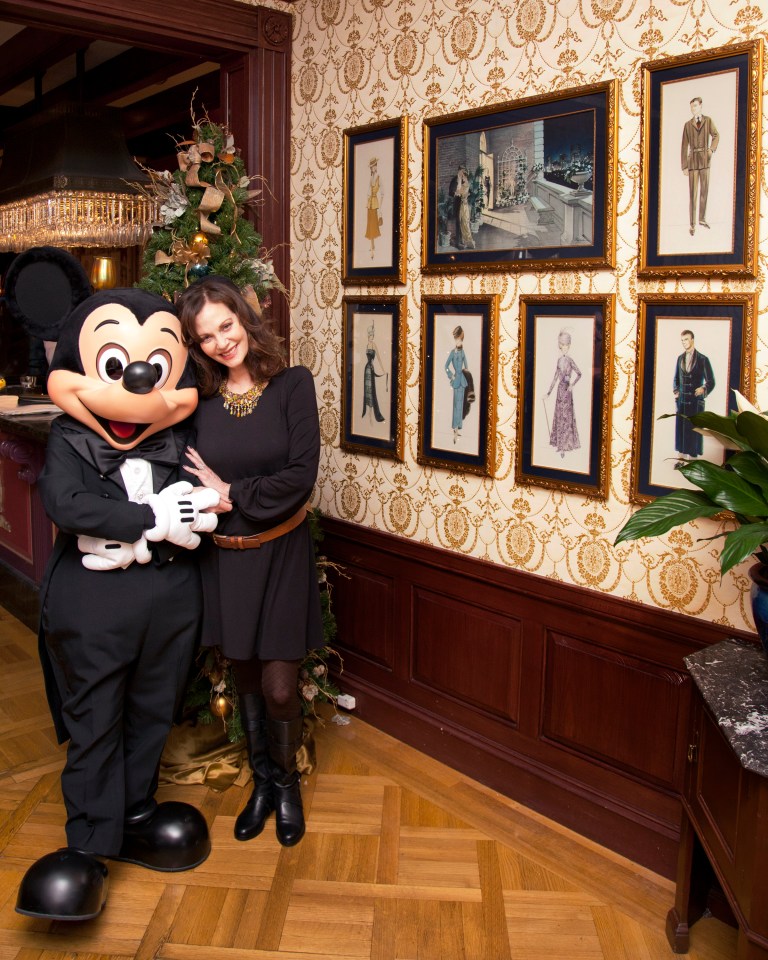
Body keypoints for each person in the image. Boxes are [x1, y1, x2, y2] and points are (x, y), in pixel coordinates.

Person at [177, 275, 323, 848]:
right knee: (243, 680)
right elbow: (187, 477)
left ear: (244, 318)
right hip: (226, 561)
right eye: (205, 336)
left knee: (281, 687)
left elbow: (299, 479)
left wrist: (232, 492)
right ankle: (262, 783)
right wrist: (207, 495)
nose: (220, 342)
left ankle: (287, 786)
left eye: (226, 325)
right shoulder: (202, 405)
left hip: (281, 552)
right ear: (196, 346)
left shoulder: (293, 386)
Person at [673, 329, 715, 460]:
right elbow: (676, 379)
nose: (684, 342)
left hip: (696, 403)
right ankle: (681, 457)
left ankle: (692, 459)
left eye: (686, 339)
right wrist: (676, 391)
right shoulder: (680, 358)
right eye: (682, 340)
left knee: (694, 429)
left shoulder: (703, 359)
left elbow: (711, 381)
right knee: (681, 429)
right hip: (682, 402)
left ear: (692, 340)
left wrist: (703, 388)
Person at [681, 96, 719, 236]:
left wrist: (711, 149)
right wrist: (684, 166)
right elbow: (684, 145)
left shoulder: (708, 121)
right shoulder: (687, 124)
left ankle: (702, 219)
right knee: (693, 194)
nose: (693, 109)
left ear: (701, 106)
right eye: (691, 106)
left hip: (705, 161)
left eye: (695, 106)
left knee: (704, 191)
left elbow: (716, 135)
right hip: (692, 163)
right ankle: (692, 224)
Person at [545, 329, 582, 458]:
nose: (564, 348)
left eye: (567, 345)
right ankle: (560, 446)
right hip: (559, 392)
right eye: (562, 345)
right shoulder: (559, 360)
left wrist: (572, 384)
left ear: (569, 345)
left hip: (567, 391)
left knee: (567, 418)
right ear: (560, 346)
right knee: (560, 417)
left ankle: (566, 446)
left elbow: (579, 374)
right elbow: (555, 378)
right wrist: (548, 393)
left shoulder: (570, 360)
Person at [445, 325, 469, 444]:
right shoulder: (452, 353)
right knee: (456, 405)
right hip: (456, 381)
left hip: (462, 381)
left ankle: (458, 427)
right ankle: (454, 428)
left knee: (461, 405)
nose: (457, 340)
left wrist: (465, 371)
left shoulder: (463, 352)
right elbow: (446, 366)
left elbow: (466, 365)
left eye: (458, 338)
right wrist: (451, 375)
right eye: (456, 338)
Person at [362, 322, 386, 424]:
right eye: (369, 335)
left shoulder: (374, 345)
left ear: (373, 336)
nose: (370, 337)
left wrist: (383, 370)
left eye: (371, 335)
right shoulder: (367, 344)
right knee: (367, 392)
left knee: (371, 392)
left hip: (371, 369)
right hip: (366, 369)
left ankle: (372, 416)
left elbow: (379, 358)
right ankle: (368, 415)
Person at [454, 164, 475, 250]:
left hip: (464, 206)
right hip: (462, 205)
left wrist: (458, 193)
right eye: (461, 173)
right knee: (463, 223)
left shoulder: (465, 185)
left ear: (465, 176)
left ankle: (467, 241)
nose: (462, 177)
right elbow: (457, 192)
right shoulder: (463, 184)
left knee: (465, 223)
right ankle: (464, 241)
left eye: (463, 175)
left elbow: (460, 192)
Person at [365, 156, 382, 258]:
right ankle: (372, 246)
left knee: (373, 225)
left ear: (376, 166)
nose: (373, 168)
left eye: (374, 166)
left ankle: (373, 247)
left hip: (375, 204)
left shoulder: (378, 177)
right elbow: (368, 192)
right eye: (371, 167)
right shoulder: (371, 178)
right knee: (369, 225)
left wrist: (381, 209)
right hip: (370, 204)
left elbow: (382, 193)